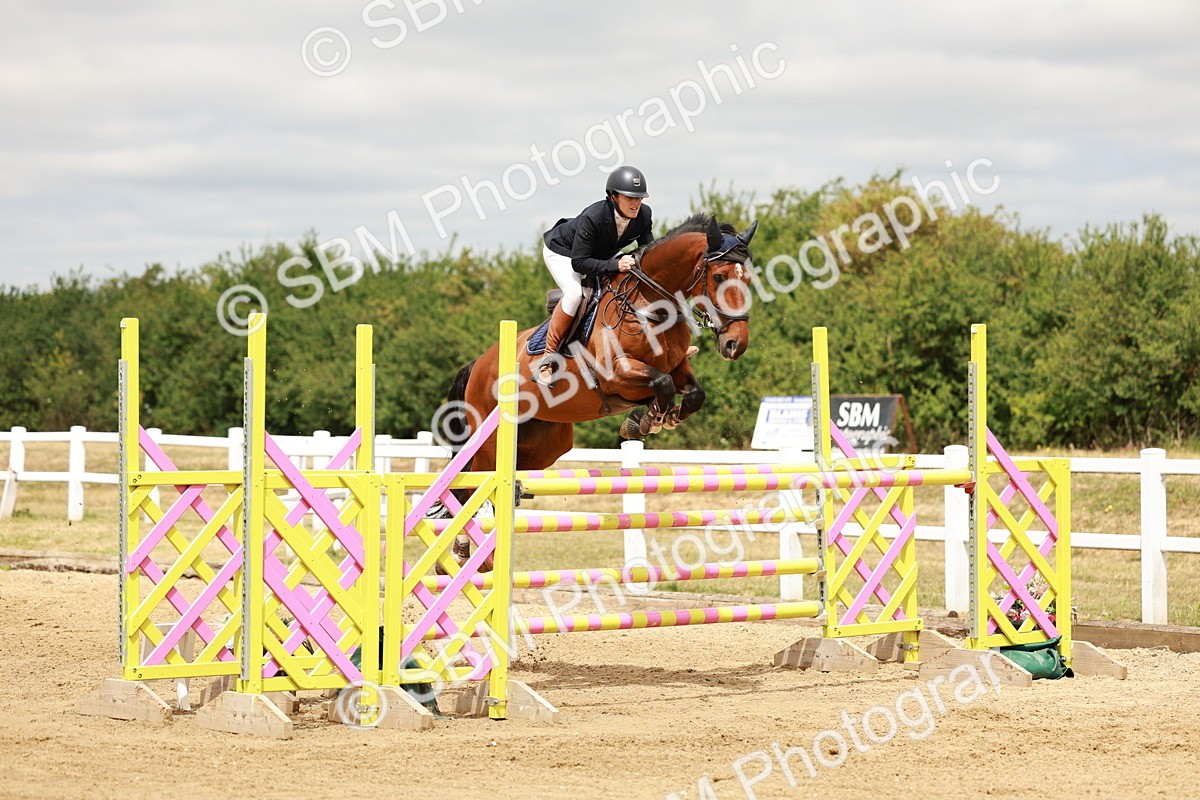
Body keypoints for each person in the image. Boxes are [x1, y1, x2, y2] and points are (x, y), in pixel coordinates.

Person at [538, 165, 655, 385]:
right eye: (630, 197)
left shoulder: (644, 215)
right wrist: (616, 264)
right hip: (564, 253)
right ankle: (547, 359)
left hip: (602, 253)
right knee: (574, 294)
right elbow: (580, 263)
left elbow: (648, 251)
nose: (636, 203)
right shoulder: (593, 216)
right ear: (613, 197)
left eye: (639, 198)